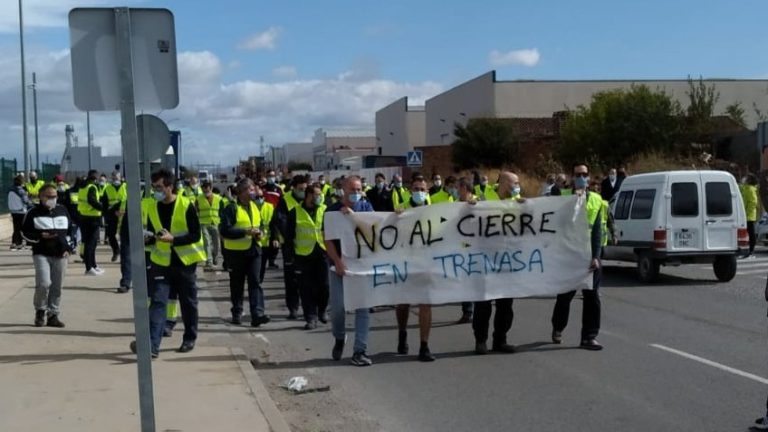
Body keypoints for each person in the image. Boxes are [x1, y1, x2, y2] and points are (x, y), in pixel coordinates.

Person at [131, 168, 206, 358]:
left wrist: (173, 240)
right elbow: (151, 231)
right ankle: (152, 346)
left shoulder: (186, 204)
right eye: (154, 187)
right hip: (161, 262)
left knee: (188, 303)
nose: (156, 190)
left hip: (185, 263)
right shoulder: (151, 205)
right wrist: (148, 239)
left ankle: (189, 338)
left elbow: (196, 235)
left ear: (170, 187)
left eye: (159, 187)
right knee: (157, 302)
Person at [550, 163, 604, 351]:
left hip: (589, 256)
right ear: (572, 177)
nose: (582, 177)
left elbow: (597, 230)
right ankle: (558, 327)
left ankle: (589, 336)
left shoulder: (597, 199)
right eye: (578, 174)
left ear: (589, 177)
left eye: (585, 174)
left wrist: (596, 256)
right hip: (569, 255)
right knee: (565, 297)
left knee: (592, 297)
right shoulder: (562, 197)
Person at [325, 175, 374, 366]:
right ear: (343, 190)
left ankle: (360, 350)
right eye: (352, 190)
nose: (356, 193)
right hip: (339, 266)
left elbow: (374, 229)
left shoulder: (366, 208)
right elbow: (327, 239)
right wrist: (337, 261)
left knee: (363, 308)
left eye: (359, 189)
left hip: (361, 267)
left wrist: (354, 217)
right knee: (338, 308)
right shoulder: (332, 211)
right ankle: (339, 337)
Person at [472, 171, 521, 355]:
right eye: (515, 182)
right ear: (504, 183)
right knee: (483, 303)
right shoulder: (483, 197)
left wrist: (528, 209)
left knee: (505, 304)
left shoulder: (518, 201)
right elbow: (465, 214)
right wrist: (468, 205)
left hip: (508, 260)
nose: (517, 186)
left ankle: (500, 340)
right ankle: (481, 340)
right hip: (485, 260)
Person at [22, 184, 76, 327]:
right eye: (49, 196)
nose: (52, 199)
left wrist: (69, 248)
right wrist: (40, 236)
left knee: (57, 286)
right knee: (44, 283)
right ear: (41, 196)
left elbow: (71, 230)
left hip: (61, 254)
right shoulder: (33, 212)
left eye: (54, 196)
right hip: (41, 254)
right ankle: (40, 311)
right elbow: (24, 233)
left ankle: (53, 314)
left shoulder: (62, 210)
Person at [395, 176, 436, 361]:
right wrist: (395, 217)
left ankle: (424, 346)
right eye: (416, 188)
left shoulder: (434, 208)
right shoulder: (402, 208)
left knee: (425, 303)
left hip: (426, 261)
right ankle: (402, 332)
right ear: (410, 190)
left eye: (422, 188)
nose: (419, 191)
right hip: (406, 261)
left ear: (427, 191)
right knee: (403, 303)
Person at [219, 178, 270, 327]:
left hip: (254, 250)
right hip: (236, 253)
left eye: (254, 189)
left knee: (255, 282)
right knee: (237, 284)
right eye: (251, 189)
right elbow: (224, 230)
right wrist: (245, 232)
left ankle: (257, 314)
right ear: (242, 192)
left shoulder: (254, 206)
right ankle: (237, 312)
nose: (254, 192)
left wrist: (260, 234)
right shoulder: (231, 208)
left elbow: (259, 226)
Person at [285, 184, 329, 330]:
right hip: (303, 255)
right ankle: (310, 317)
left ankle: (322, 310)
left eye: (320, 194)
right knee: (306, 288)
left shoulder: (325, 209)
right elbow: (289, 236)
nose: (319, 197)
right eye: (317, 194)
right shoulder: (295, 212)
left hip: (322, 252)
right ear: (309, 195)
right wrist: (289, 258)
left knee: (324, 286)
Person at [275, 175, 308, 319]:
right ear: (293, 188)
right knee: (291, 280)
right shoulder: (285, 201)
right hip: (290, 246)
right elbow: (278, 221)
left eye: (305, 189)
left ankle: (310, 310)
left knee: (308, 281)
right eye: (300, 189)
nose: (303, 192)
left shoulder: (310, 199)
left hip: (308, 246)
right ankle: (293, 308)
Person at [455, 177, 477, 323]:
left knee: (474, 279)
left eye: (458, 187)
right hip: (462, 247)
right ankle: (467, 311)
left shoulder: (479, 202)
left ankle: (473, 310)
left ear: (465, 188)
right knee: (464, 279)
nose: (456, 190)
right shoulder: (455, 205)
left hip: (476, 246)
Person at [78, 170, 105, 275]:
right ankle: (89, 268)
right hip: (92, 218)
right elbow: (92, 201)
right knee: (91, 244)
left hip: (84, 216)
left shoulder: (83, 186)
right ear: (96, 177)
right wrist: (103, 207)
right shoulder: (92, 187)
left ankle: (93, 265)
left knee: (91, 243)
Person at [254, 186, 280, 281]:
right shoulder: (249, 206)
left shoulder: (270, 207)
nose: (259, 199)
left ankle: (258, 282)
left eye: (261, 197)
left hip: (265, 242)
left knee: (262, 266)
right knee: (254, 266)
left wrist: (275, 238)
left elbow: (274, 224)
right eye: (257, 197)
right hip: (252, 242)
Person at [197, 181, 223, 269]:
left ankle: (215, 258)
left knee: (216, 244)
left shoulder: (218, 198)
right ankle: (209, 261)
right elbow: (196, 211)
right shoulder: (198, 199)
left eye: (207, 191)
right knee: (206, 243)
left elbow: (222, 210)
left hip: (216, 223)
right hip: (204, 223)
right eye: (204, 191)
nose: (206, 193)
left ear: (211, 189)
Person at [102, 171, 126, 262]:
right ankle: (116, 251)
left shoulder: (126, 187)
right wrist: (110, 213)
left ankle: (124, 253)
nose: (115, 179)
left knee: (124, 235)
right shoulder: (107, 188)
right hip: (112, 215)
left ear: (121, 178)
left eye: (117, 177)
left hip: (124, 215)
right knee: (111, 235)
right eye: (114, 178)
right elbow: (104, 205)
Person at [9, 175, 32, 250]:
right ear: (21, 182)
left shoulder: (10, 189)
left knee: (16, 228)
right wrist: (32, 204)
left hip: (13, 211)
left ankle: (14, 243)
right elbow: (26, 201)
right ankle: (19, 243)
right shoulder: (21, 191)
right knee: (22, 228)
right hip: (21, 211)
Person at [741, 174, 759, 258]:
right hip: (745, 214)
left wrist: (747, 213)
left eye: (745, 178)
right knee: (748, 233)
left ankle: (751, 251)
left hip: (749, 216)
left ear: (749, 180)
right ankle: (748, 250)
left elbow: (753, 202)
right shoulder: (745, 188)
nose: (743, 179)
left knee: (751, 233)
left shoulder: (751, 189)